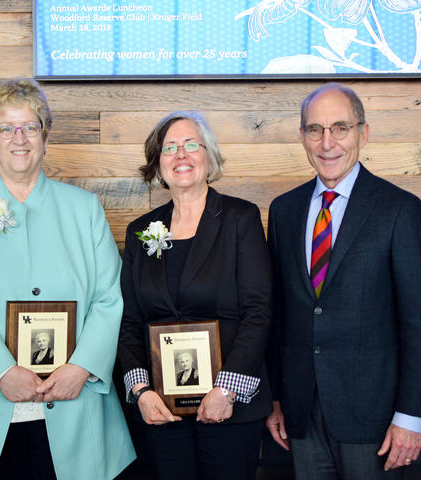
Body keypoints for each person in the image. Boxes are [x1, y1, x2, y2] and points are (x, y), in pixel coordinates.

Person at [0, 78, 135, 480]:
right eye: (6, 127)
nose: (19, 138)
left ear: (45, 137)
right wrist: (1, 372)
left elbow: (108, 297)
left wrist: (82, 366)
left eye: (30, 126)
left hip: (74, 403)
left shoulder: (84, 209)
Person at [266, 82, 421, 479]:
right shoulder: (284, 211)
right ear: (302, 136)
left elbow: (416, 322)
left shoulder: (401, 210)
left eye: (340, 128)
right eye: (315, 129)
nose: (327, 142)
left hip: (377, 420)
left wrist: (412, 415)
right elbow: (279, 314)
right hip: (301, 415)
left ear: (363, 133)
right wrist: (277, 399)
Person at [118, 111, 272, 480]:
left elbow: (259, 311)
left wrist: (226, 390)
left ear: (209, 156)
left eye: (191, 145)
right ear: (158, 164)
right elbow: (128, 320)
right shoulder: (141, 231)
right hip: (162, 410)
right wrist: (141, 392)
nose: (181, 155)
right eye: (169, 148)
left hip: (229, 407)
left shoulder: (240, 218)